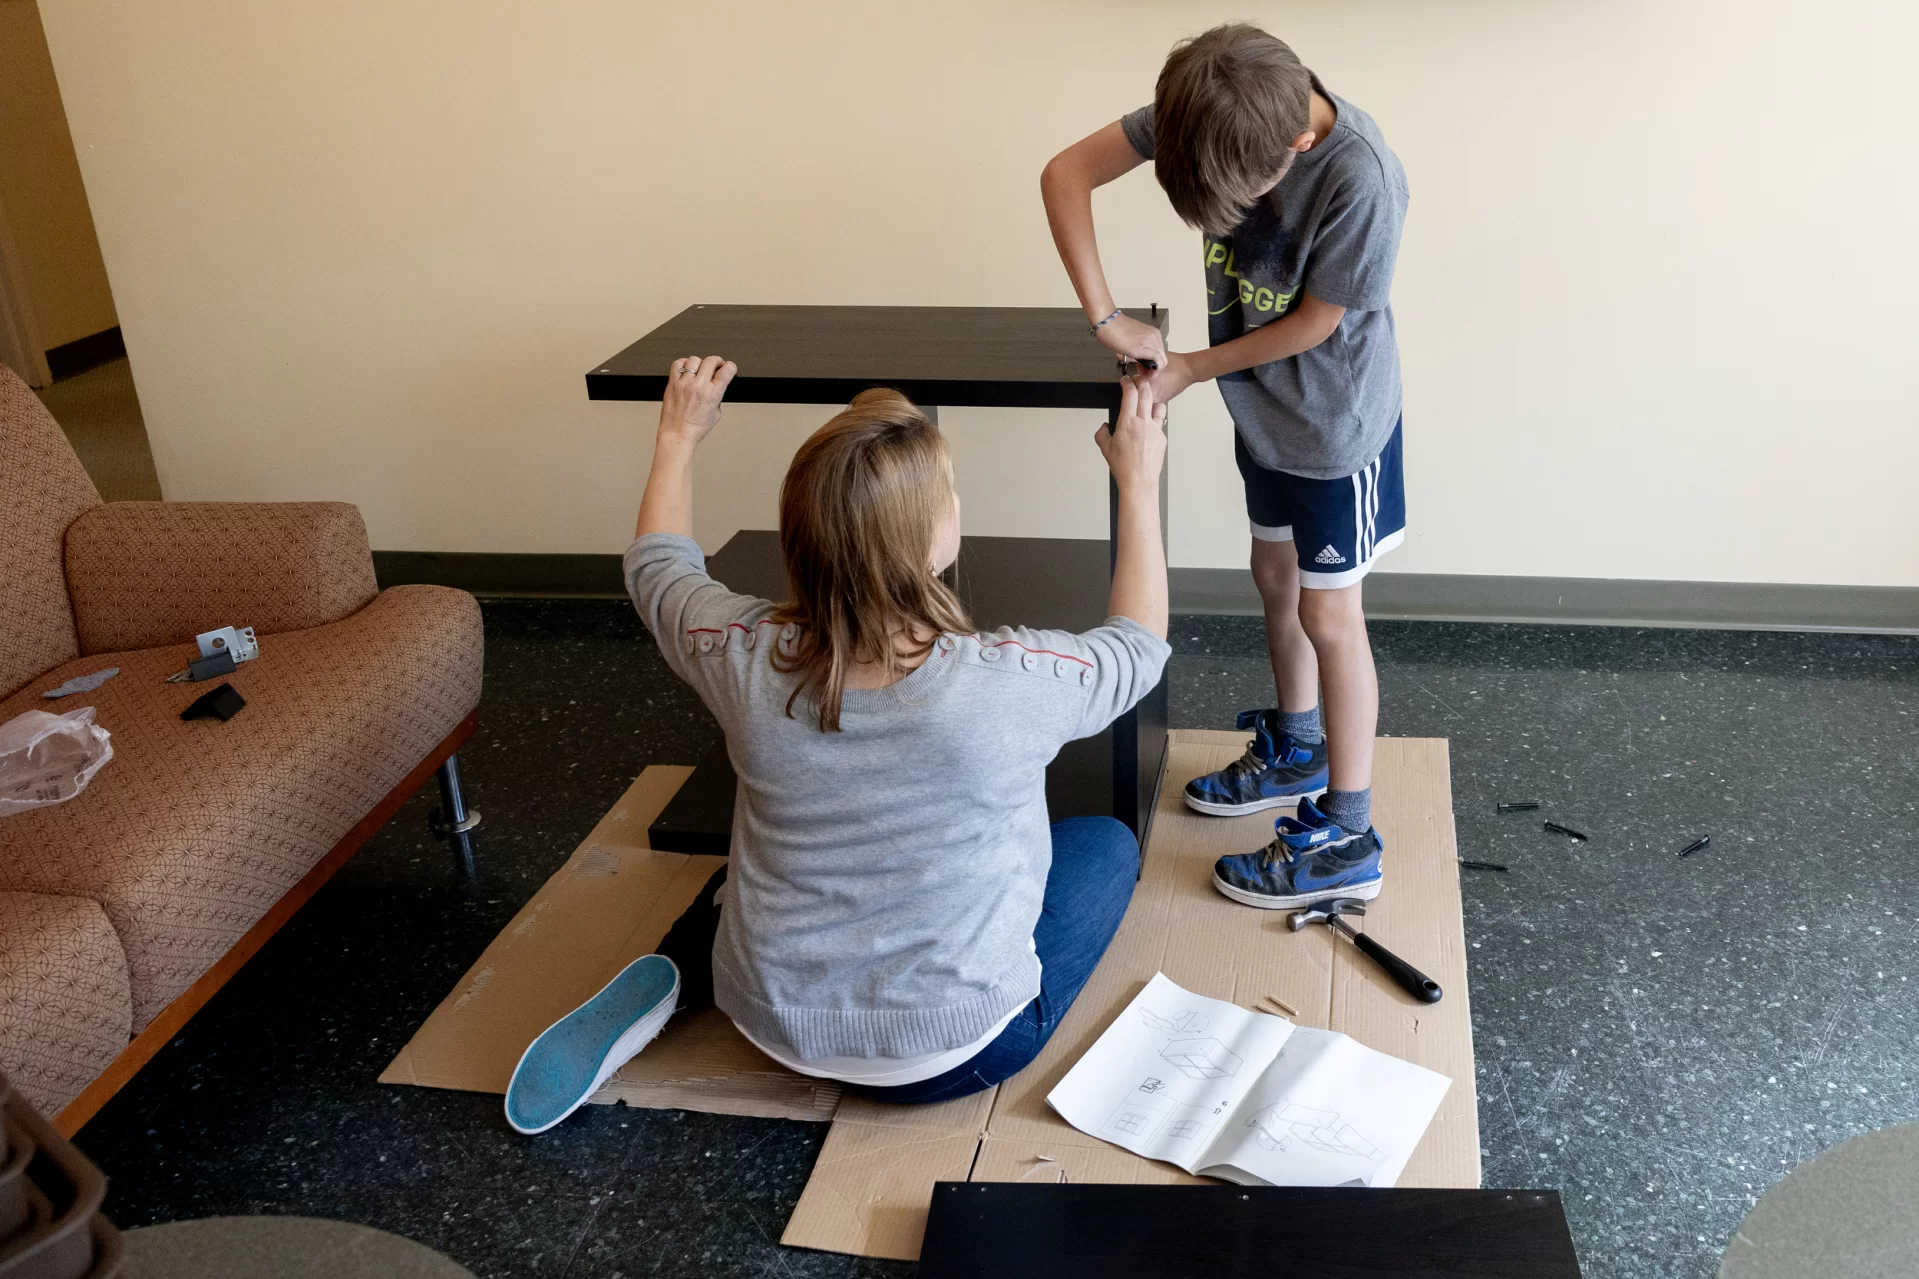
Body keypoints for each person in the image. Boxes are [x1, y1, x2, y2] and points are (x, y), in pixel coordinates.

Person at [503, 356, 1171, 1134]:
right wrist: (1138, 482)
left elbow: (656, 566)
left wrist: (680, 433)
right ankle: (731, 963)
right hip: (950, 1053)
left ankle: (684, 968)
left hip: (770, 1022)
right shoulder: (1011, 681)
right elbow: (1137, 644)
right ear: (936, 536)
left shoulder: (736, 651)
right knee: (1107, 844)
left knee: (759, 852)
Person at [1040, 22, 1408, 912]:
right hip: (1265, 415)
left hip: (1335, 433)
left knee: (1330, 615)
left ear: (1294, 144)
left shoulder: (1363, 177)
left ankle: (1349, 833)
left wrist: (1190, 369)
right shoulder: (1211, 102)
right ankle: (1298, 743)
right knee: (1272, 578)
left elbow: (1317, 322)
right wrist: (1104, 318)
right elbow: (1065, 174)